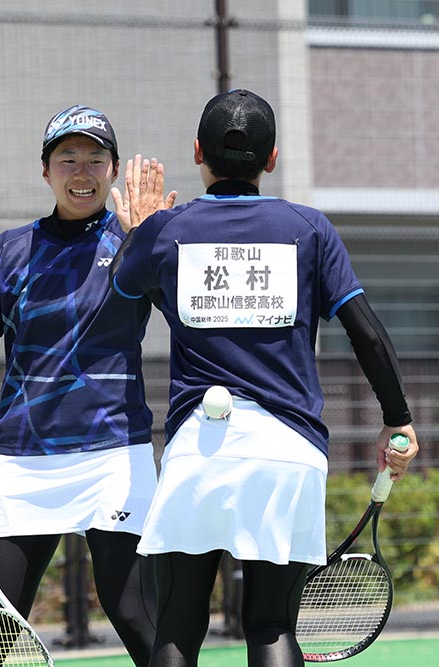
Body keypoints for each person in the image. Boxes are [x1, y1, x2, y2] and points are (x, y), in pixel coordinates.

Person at [109, 89, 420, 667]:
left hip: (198, 450)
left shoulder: (167, 231)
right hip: (289, 451)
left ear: (197, 152)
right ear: (271, 159)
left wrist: (142, 232)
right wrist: (397, 419)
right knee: (272, 625)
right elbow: (367, 333)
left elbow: (127, 288)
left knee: (177, 625)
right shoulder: (310, 228)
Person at [0, 105, 170, 667]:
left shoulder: (138, 241)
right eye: (68, 159)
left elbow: (186, 314)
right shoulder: (8, 251)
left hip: (116, 457)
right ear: (46, 171)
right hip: (25, 464)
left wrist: (150, 241)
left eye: (95, 159)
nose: (82, 172)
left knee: (134, 614)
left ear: (114, 171)